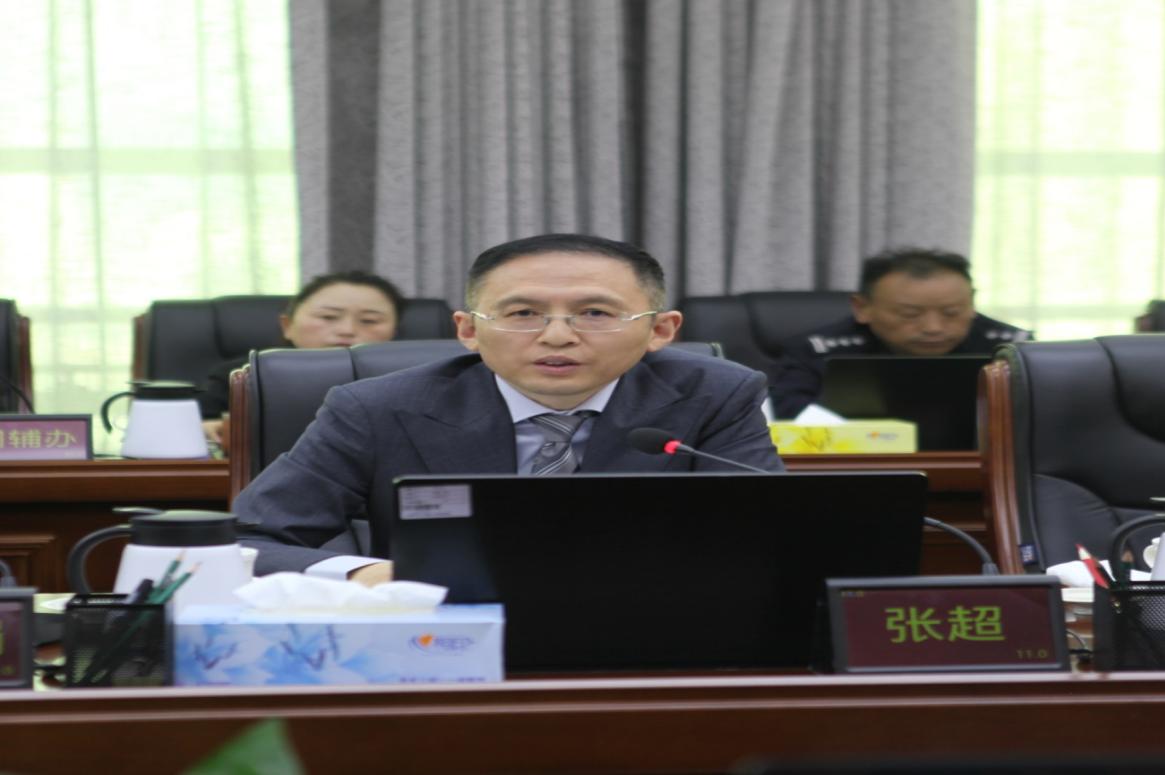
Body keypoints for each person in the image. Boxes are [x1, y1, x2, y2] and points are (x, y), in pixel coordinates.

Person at [233, 233, 785, 585]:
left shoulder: (715, 396)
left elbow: (766, 539)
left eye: (595, 313)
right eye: (522, 314)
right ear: (468, 330)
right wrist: (367, 574)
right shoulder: (375, 407)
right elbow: (246, 541)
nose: (558, 336)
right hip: (443, 637)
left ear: (661, 330)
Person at [768, 247, 1030, 418]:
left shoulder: (1015, 350)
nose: (933, 328)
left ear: (971, 302)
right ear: (862, 307)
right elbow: (787, 419)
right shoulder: (817, 350)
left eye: (951, 312)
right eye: (910, 314)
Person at [198, 270, 405, 444]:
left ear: (394, 332)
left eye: (369, 321)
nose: (347, 330)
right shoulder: (242, 374)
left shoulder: (409, 380)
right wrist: (206, 430)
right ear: (287, 326)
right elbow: (200, 426)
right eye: (328, 317)